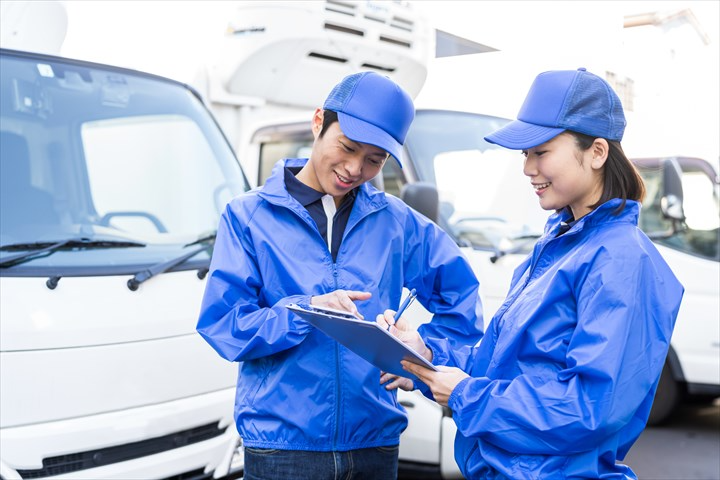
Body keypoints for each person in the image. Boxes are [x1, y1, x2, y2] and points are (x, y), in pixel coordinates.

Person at [378, 68, 684, 479]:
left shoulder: (620, 259)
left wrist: (468, 395)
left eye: (541, 152)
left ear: (596, 152)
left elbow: (588, 408)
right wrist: (426, 356)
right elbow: (503, 365)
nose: (527, 168)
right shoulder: (559, 244)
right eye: (525, 154)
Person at [196, 71, 484, 479]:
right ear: (319, 122)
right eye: (347, 147)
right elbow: (224, 324)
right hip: (282, 449)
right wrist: (305, 311)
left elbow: (461, 297)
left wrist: (426, 354)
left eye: (374, 160)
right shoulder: (247, 217)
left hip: (374, 445)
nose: (354, 169)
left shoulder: (397, 222)